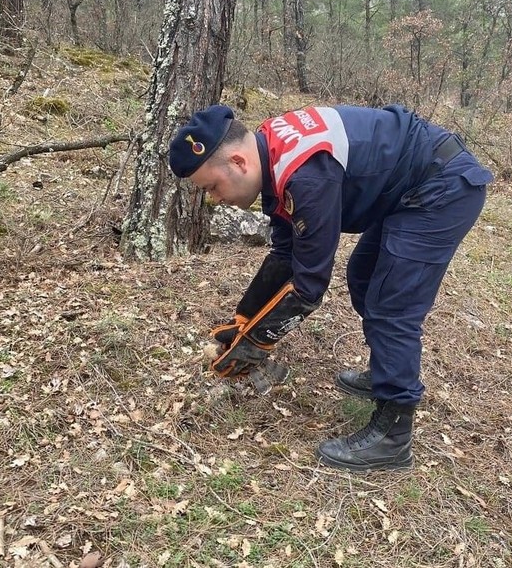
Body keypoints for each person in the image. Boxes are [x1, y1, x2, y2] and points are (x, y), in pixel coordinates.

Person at [168, 103, 493, 472]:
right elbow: (287, 252)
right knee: (364, 278)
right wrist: (242, 320)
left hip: (442, 187)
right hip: (410, 186)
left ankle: (394, 436)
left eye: (212, 186)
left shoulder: (305, 175)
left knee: (392, 308)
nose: (214, 198)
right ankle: (388, 369)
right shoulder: (270, 152)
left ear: (239, 163)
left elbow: (309, 285)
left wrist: (254, 343)